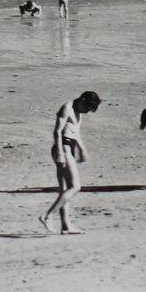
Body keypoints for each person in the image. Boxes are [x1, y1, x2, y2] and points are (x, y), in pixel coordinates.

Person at [39, 91, 101, 235]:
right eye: (87, 108)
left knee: (64, 189)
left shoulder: (77, 111)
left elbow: (75, 132)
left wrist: (82, 149)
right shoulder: (67, 108)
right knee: (75, 187)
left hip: (69, 147)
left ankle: (66, 226)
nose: (86, 112)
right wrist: (60, 152)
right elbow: (58, 132)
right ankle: (48, 216)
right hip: (63, 148)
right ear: (82, 100)